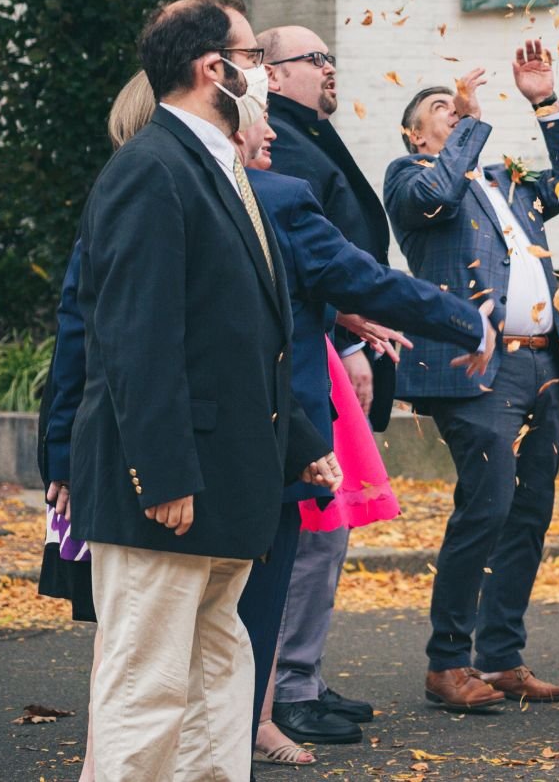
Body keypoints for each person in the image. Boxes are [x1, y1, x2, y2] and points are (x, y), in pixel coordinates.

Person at [68, 0, 336, 781]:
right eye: (254, 59)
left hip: (229, 481)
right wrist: (163, 472)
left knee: (219, 678)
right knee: (147, 686)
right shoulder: (148, 170)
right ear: (214, 69)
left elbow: (242, 332)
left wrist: (300, 441)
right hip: (167, 489)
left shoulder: (218, 168)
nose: (265, 74)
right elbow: (136, 336)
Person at [235, 109, 493, 765]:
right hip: (262, 399)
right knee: (267, 558)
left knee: (310, 537)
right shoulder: (284, 188)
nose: (274, 136)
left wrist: (339, 315)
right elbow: (357, 272)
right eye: (259, 121)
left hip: (292, 385)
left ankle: (274, 696)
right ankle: (261, 706)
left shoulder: (269, 176)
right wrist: (466, 322)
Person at [384, 39, 559, 713]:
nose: (453, 109)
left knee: (529, 510)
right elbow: (438, 191)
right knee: (487, 504)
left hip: (540, 360)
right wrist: (469, 124)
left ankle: (501, 656)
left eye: (456, 106)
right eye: (439, 107)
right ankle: (447, 661)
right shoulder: (411, 178)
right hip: (477, 365)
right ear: (416, 134)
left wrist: (545, 101)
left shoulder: (508, 182)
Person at [256, 25, 405, 744]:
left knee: (330, 519)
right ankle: (285, 685)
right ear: (272, 73)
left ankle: (301, 673)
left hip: (330, 340)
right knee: (316, 517)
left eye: (329, 57)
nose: (329, 68)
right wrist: (346, 338)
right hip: (313, 347)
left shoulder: (303, 131)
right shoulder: (277, 141)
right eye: (314, 59)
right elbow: (306, 260)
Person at [34, 70, 160, 782]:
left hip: (109, 444)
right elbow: (76, 338)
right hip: (108, 447)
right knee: (124, 626)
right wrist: (61, 460)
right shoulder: (125, 200)